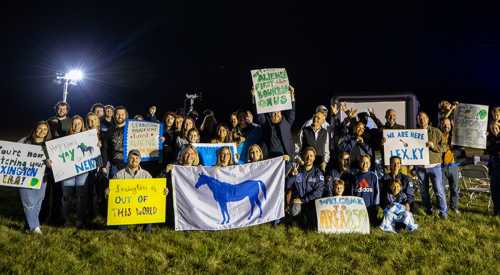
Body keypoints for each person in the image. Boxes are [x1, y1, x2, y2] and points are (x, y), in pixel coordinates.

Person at [112, 149, 161, 233]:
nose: (134, 160)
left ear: (140, 160)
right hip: (125, 209)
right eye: (132, 158)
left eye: (137, 158)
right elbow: (113, 193)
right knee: (121, 231)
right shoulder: (119, 175)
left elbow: (154, 192)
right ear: (127, 159)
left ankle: (146, 232)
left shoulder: (146, 175)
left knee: (150, 211)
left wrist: (162, 191)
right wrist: (108, 191)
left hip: (142, 208)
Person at [18, 121, 52, 234]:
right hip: (25, 175)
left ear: (47, 132)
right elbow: (13, 154)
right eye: (39, 128)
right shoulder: (24, 141)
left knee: (38, 202)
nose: (42, 131)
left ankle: (29, 226)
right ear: (34, 129)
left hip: (43, 177)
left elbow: (55, 163)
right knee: (28, 202)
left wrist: (50, 164)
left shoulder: (49, 145)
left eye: (45, 129)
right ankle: (35, 228)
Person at [415, 111, 448, 219]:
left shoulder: (436, 131)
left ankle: (443, 212)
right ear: (417, 120)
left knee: (438, 190)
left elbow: (444, 147)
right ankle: (428, 210)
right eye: (419, 118)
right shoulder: (413, 134)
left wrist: (434, 146)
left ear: (428, 119)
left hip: (434, 166)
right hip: (420, 167)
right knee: (423, 191)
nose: (421, 120)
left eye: (424, 118)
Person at [61, 115, 90, 228]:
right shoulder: (64, 138)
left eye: (79, 123)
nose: (77, 125)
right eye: (74, 123)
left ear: (82, 124)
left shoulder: (88, 137)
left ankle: (79, 219)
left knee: (81, 196)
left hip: (83, 170)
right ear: (71, 125)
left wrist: (97, 145)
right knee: (66, 196)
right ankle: (66, 219)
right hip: (68, 171)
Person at [285, 146, 325, 229]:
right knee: (294, 209)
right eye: (306, 155)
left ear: (314, 158)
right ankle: (295, 224)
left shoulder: (318, 173)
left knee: (312, 223)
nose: (308, 158)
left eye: (311, 156)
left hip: (311, 203)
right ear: (303, 156)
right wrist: (292, 176)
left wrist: (303, 200)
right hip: (298, 202)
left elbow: (318, 192)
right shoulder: (297, 170)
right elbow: (287, 186)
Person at [255, 86, 295, 159]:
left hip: (284, 158)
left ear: (281, 113)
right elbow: (259, 114)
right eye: (274, 113)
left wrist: (292, 96)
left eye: (278, 113)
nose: (276, 115)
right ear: (270, 115)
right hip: (270, 159)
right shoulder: (265, 124)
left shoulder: (287, 123)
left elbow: (291, 111)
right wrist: (255, 97)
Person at [440, 117, 465, 214]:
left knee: (454, 188)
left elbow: (461, 151)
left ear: (451, 125)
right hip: (441, 166)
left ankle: (454, 207)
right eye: (444, 124)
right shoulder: (438, 135)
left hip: (453, 165)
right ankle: (442, 207)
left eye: (448, 124)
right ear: (441, 125)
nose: (446, 126)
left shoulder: (456, 137)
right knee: (441, 189)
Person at [352, 155, 380, 225]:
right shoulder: (355, 176)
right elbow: (352, 192)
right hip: (358, 206)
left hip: (370, 206)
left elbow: (377, 192)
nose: (365, 164)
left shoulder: (373, 176)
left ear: (370, 163)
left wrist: (376, 204)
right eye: (362, 162)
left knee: (372, 223)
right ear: (359, 163)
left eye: (367, 162)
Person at [105, 106, 129, 177]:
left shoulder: (132, 129)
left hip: (129, 165)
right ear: (114, 115)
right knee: (114, 187)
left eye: (122, 114)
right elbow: (105, 148)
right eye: (118, 114)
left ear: (126, 116)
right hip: (114, 166)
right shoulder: (109, 131)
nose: (120, 116)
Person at [487, 121, 500, 216]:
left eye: (496, 128)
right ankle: (496, 210)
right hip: (493, 167)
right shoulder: (490, 139)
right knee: (494, 190)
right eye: (492, 128)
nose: (494, 130)